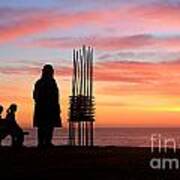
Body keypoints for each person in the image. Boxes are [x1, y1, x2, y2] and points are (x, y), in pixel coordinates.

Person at [33, 64, 62, 147]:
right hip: (46, 107)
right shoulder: (44, 82)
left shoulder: (45, 82)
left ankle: (45, 142)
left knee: (47, 126)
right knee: (45, 126)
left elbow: (55, 96)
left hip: (45, 107)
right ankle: (43, 142)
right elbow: (36, 95)